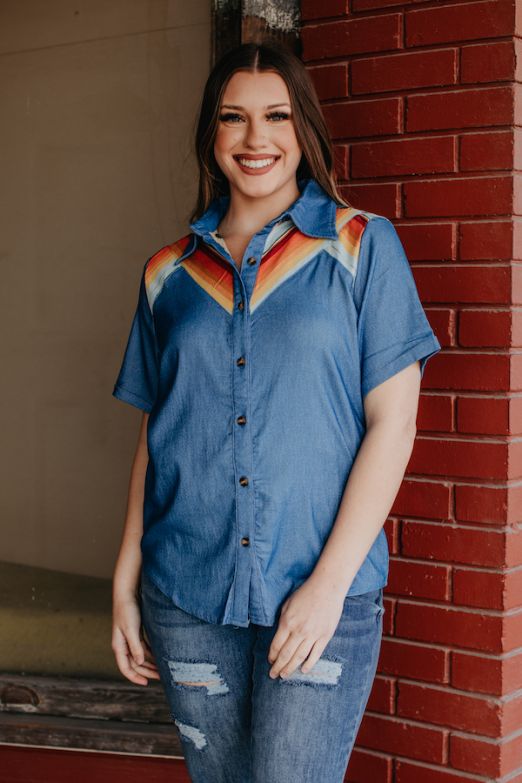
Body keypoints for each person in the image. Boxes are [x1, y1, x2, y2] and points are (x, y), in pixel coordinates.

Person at [111, 40, 441, 783]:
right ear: (212, 135)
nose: (255, 139)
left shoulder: (361, 247)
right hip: (187, 591)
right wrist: (125, 575)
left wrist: (327, 587)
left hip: (321, 591)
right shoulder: (168, 272)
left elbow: (395, 422)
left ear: (305, 131)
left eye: (276, 116)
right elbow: (158, 428)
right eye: (234, 118)